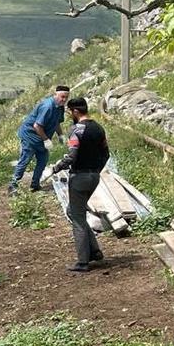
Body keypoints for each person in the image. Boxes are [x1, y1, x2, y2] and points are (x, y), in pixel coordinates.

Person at [52, 97, 110, 273]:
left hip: (79, 178)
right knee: (74, 211)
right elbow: (106, 154)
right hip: (94, 176)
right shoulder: (99, 128)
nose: (70, 115)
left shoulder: (76, 130)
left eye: (70, 112)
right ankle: (95, 251)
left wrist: (57, 167)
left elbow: (72, 156)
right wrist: (96, 171)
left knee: (77, 217)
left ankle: (83, 262)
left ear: (76, 111)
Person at [11, 85, 70, 195]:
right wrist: (46, 140)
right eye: (62, 97)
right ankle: (13, 185)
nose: (64, 99)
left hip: (41, 138)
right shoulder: (48, 107)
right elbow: (37, 126)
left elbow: (56, 122)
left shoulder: (60, 107)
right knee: (25, 160)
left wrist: (60, 135)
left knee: (43, 160)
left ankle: (35, 185)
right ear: (55, 95)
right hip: (30, 136)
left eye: (66, 97)